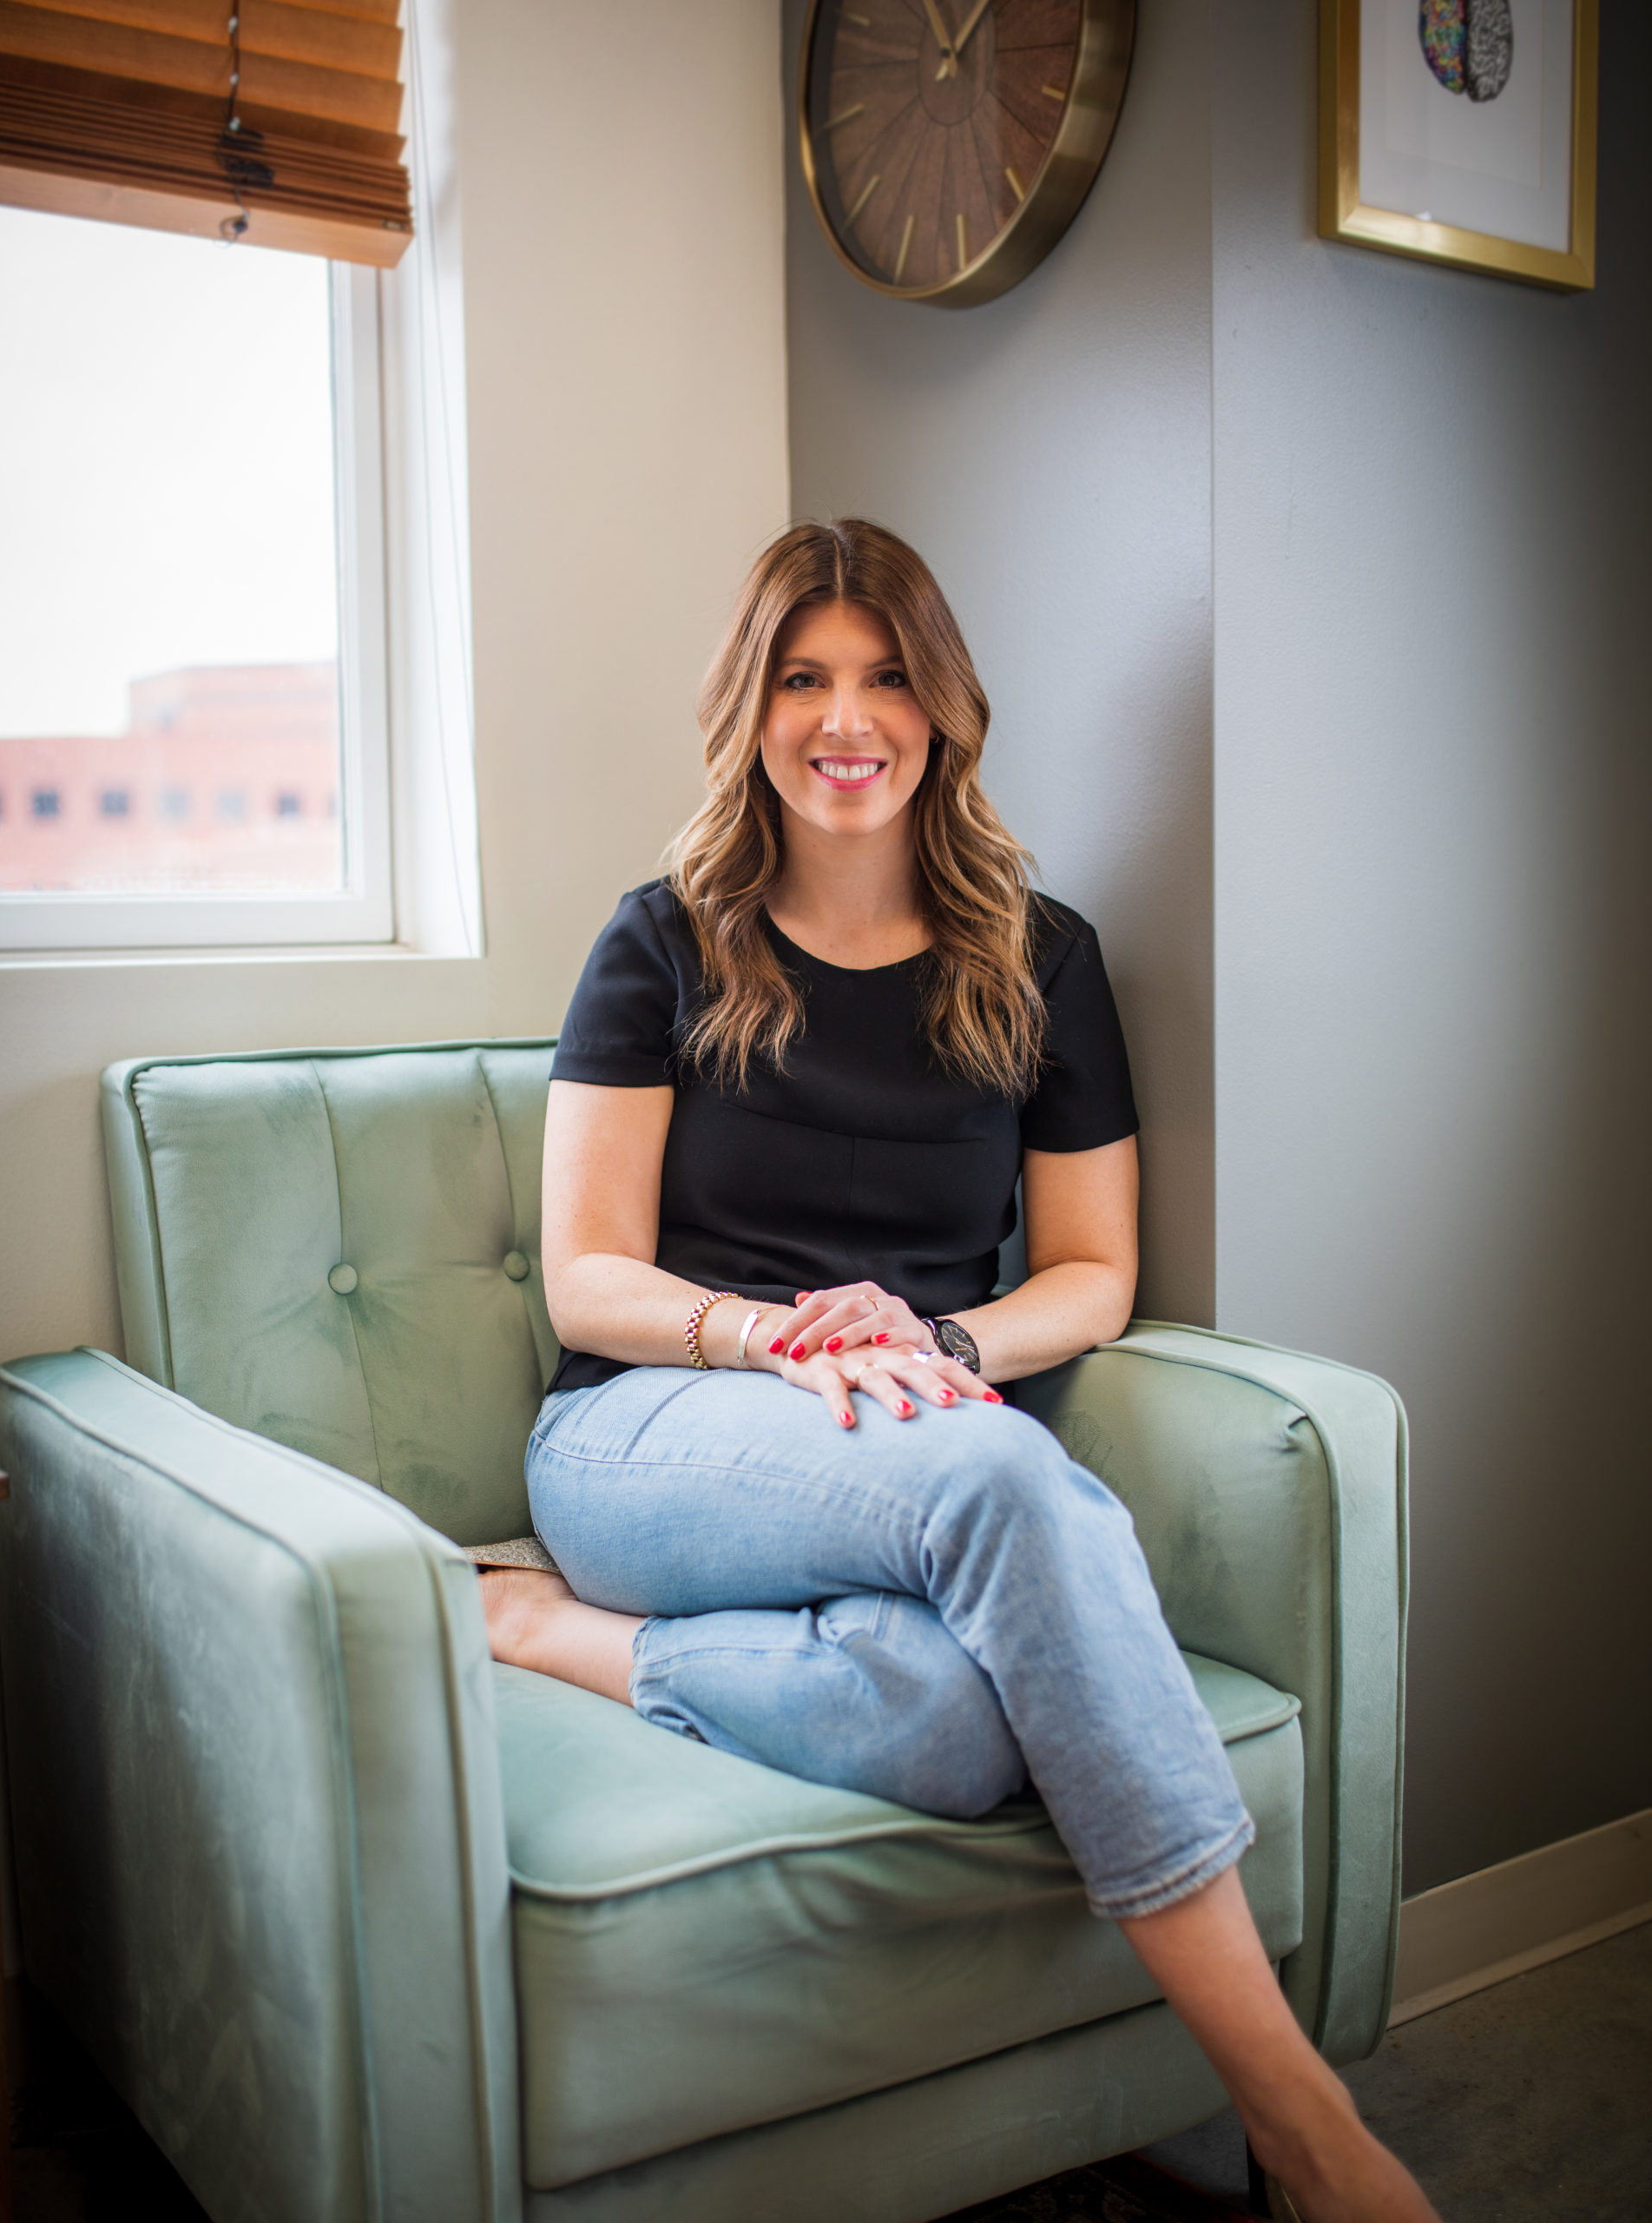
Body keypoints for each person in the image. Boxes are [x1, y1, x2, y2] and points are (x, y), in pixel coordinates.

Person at [480, 520, 1439, 2223]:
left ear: (945, 709)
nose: (848, 717)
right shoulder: (660, 943)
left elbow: (1093, 1270)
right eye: (805, 676)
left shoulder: (1041, 958)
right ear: (751, 710)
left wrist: (933, 1341)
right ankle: (1295, 2109)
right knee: (1001, 1470)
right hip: (654, 1428)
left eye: (887, 675)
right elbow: (589, 1274)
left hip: (905, 1415)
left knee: (947, 1716)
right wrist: (766, 1331)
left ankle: (560, 1634)